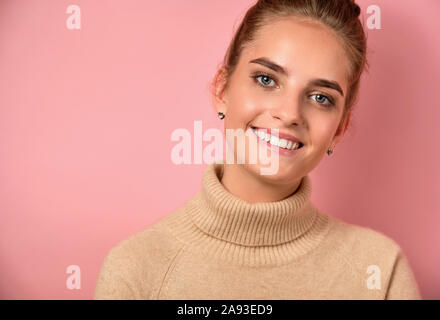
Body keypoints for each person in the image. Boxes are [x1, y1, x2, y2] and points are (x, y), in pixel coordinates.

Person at [93, 0, 421, 299]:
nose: (290, 113)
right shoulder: (135, 270)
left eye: (321, 97)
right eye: (266, 79)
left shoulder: (380, 271)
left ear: (339, 130)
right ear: (222, 89)